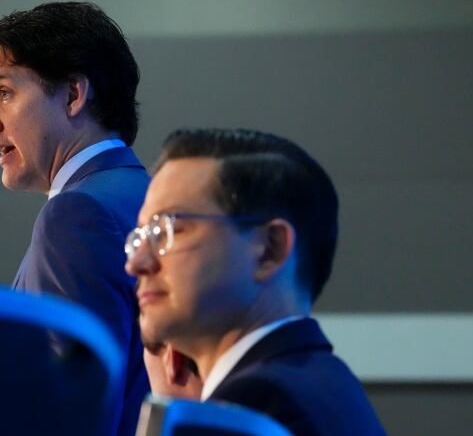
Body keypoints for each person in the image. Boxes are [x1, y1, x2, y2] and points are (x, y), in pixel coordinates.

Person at [125, 128, 385, 435]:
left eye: (169, 229)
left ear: (270, 249)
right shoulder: (327, 381)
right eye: (142, 236)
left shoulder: (253, 411)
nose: (136, 263)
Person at [0, 2, 149, 435]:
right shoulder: (144, 196)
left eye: (5, 93)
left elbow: (67, 413)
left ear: (73, 94)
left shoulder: (77, 215)